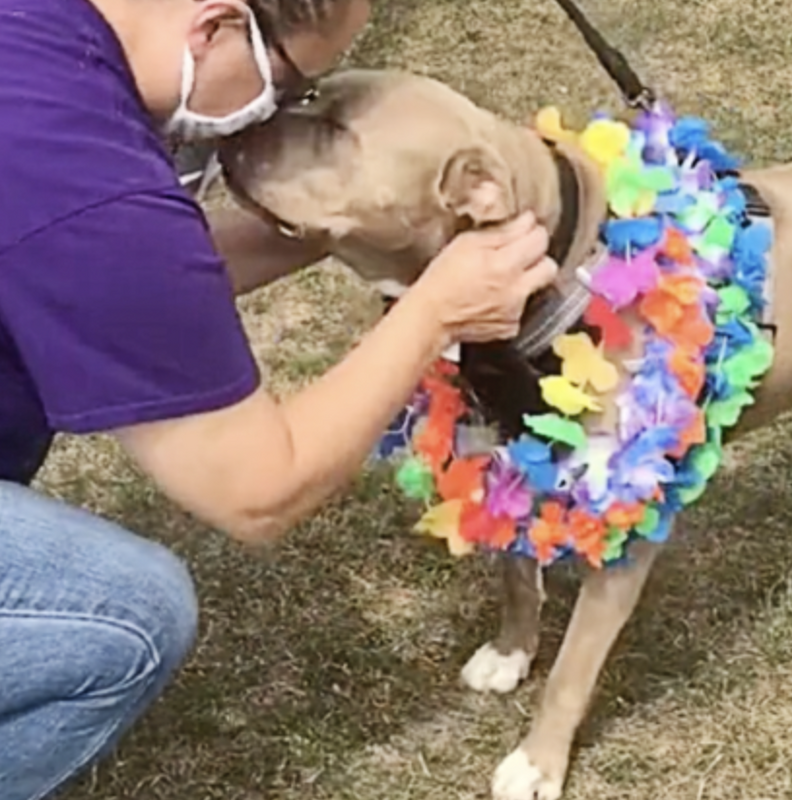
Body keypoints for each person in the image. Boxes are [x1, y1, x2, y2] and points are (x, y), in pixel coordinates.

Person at [0, 0, 558, 797]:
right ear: (217, 27)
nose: (276, 116)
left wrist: (342, 217)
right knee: (127, 616)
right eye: (290, 87)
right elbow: (258, 490)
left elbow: (124, 285)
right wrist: (437, 311)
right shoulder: (83, 177)